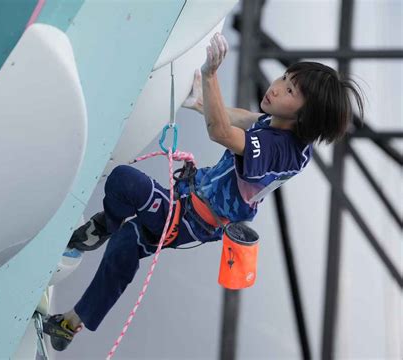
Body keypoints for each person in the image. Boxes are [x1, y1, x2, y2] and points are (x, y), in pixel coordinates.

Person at [42, 33, 364, 351]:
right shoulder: (284, 126)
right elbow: (245, 118)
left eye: (290, 90)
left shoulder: (277, 152)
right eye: (284, 77)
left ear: (303, 116)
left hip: (190, 219)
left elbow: (222, 131)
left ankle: (99, 228)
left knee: (126, 182)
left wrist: (211, 76)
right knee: (128, 244)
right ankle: (69, 324)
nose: (277, 86)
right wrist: (199, 102)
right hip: (188, 203)